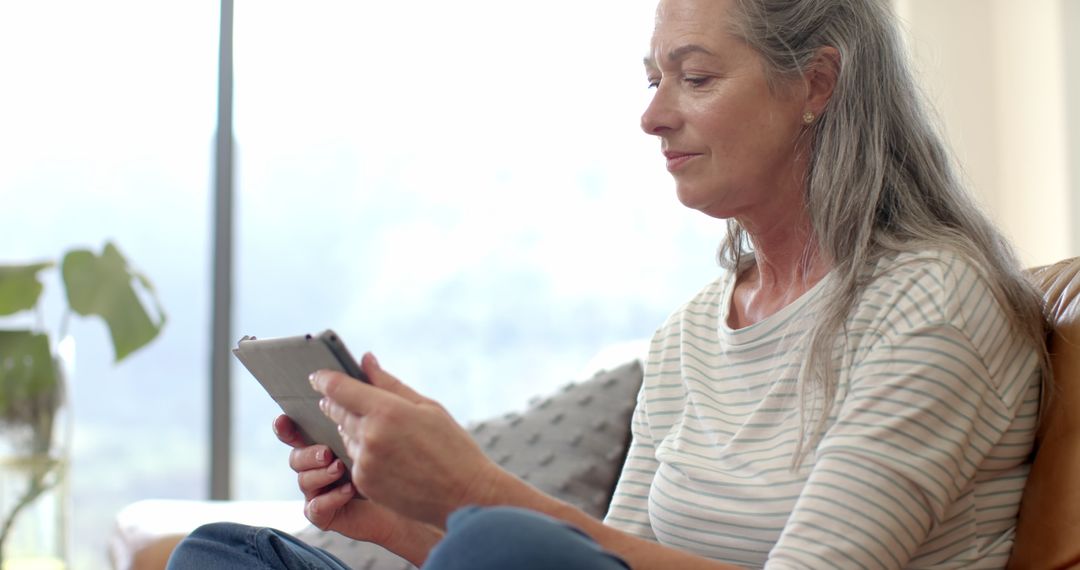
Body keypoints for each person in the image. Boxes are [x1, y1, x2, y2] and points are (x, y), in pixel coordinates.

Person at [167, 0, 1050, 568]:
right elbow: (619, 562)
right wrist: (398, 517)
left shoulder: (932, 302)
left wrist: (476, 492)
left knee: (503, 541)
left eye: (694, 77)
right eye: (653, 77)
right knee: (226, 555)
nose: (653, 115)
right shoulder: (691, 334)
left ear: (815, 83)